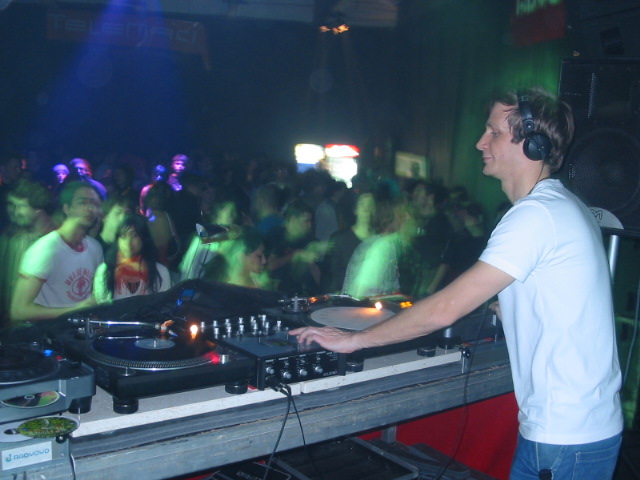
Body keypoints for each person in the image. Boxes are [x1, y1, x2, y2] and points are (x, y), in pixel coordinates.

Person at [292, 87, 623, 480]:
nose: (481, 142)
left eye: (494, 132)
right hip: (577, 430)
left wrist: (355, 340)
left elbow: (446, 308)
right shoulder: (562, 205)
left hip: (565, 439)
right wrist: (508, 306)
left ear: (532, 145)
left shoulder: (537, 215)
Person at [10, 181, 103, 323]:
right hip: (49, 333)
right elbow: (19, 310)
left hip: (81, 331)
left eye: (95, 204)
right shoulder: (44, 249)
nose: (90, 208)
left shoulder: (95, 247)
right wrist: (73, 311)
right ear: (67, 208)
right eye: (82, 202)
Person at [93, 214, 171, 303]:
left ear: (143, 238)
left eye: (134, 235)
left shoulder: (160, 272)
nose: (128, 242)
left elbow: (164, 306)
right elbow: (102, 306)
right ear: (117, 240)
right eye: (123, 236)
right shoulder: (104, 271)